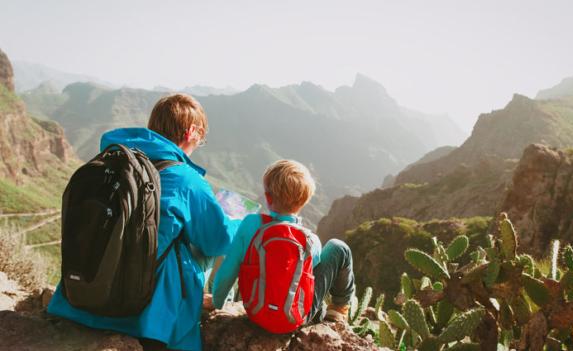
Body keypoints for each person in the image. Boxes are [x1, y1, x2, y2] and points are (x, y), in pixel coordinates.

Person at [47, 93, 240, 351]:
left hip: (79, 297)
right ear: (192, 132)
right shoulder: (186, 179)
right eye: (200, 138)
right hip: (141, 316)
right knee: (198, 246)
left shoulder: (111, 162)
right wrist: (240, 223)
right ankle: (212, 304)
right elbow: (219, 241)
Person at [212, 159, 356, 325]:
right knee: (338, 247)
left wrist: (218, 304)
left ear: (267, 196)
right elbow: (312, 275)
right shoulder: (312, 240)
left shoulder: (251, 223)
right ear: (305, 200)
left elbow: (227, 271)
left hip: (255, 311)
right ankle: (338, 309)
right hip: (296, 318)